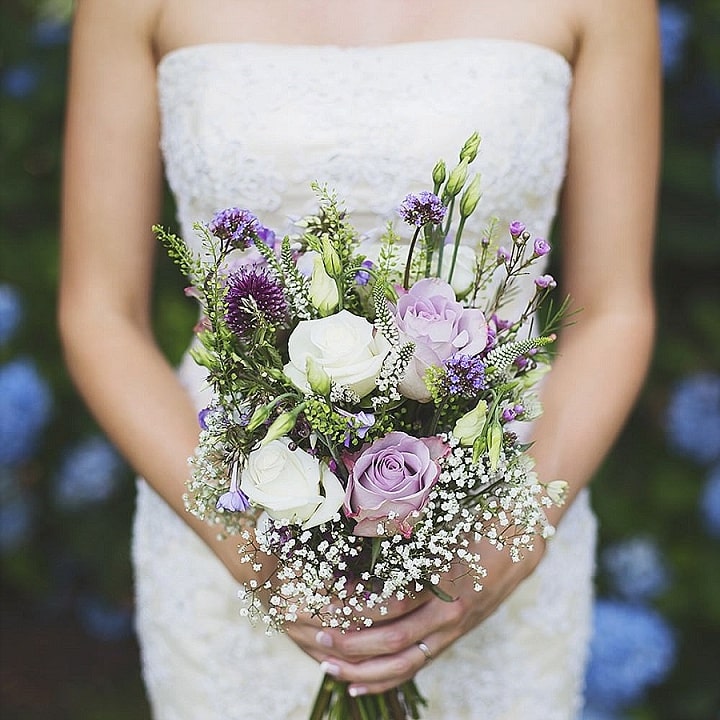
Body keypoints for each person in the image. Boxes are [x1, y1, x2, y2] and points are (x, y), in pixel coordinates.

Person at [58, 1, 660, 718]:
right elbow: (98, 309)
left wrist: (511, 540)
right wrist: (254, 549)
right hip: (222, 505)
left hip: (501, 508)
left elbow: (615, 308)